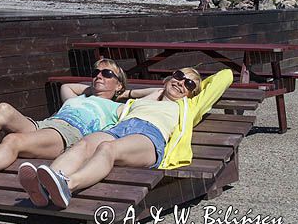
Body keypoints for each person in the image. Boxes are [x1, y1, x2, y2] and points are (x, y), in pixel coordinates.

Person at [0, 58, 151, 200]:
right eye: (97, 73)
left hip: (67, 135)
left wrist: (125, 93)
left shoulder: (117, 108)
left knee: (13, 141)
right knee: (3, 110)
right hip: (45, 125)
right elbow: (67, 86)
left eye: (107, 74)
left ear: (119, 83)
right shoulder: (76, 97)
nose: (99, 76)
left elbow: (155, 95)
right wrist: (94, 88)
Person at [19, 68, 233, 208]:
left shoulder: (189, 106)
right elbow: (114, 104)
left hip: (149, 136)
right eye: (179, 76)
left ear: (192, 93)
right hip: (121, 128)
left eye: (189, 84)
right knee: (83, 144)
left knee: (107, 149)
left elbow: (226, 75)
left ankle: (67, 186)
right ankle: (44, 187)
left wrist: (198, 86)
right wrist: (138, 93)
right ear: (170, 78)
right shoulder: (145, 100)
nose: (181, 83)